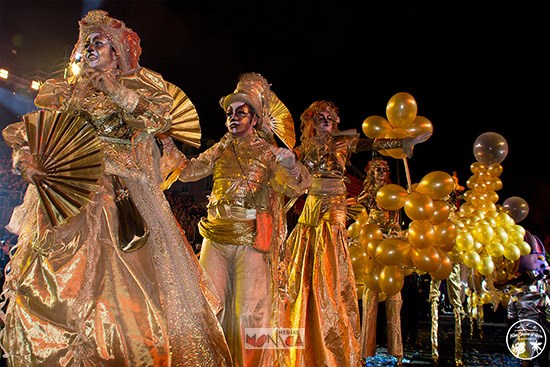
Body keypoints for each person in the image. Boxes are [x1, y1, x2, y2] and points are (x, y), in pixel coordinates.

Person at [0, 10, 231, 366]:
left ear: (117, 53)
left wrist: (115, 90)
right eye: (87, 43)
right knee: (55, 281)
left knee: (123, 290)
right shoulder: (66, 93)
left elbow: (158, 120)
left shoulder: (136, 87)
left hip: (117, 191)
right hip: (69, 192)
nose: (91, 48)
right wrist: (26, 164)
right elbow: (33, 135)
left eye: (99, 42)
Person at [160, 72, 311, 366]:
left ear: (254, 119)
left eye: (240, 112)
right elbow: (189, 171)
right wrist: (167, 143)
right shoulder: (221, 148)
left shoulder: (269, 153)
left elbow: (295, 186)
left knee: (249, 314)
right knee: (206, 305)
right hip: (214, 237)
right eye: (230, 112)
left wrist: (292, 166)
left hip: (250, 243)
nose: (232, 117)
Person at [286, 100, 424, 366]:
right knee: (305, 266)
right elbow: (288, 161)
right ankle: (306, 324)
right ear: (311, 123)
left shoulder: (344, 142)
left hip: (335, 204)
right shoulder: (304, 147)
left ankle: (331, 330)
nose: (325, 119)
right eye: (320, 116)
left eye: (329, 116)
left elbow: (374, 144)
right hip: (312, 204)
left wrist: (402, 142)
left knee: (331, 264)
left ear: (335, 121)